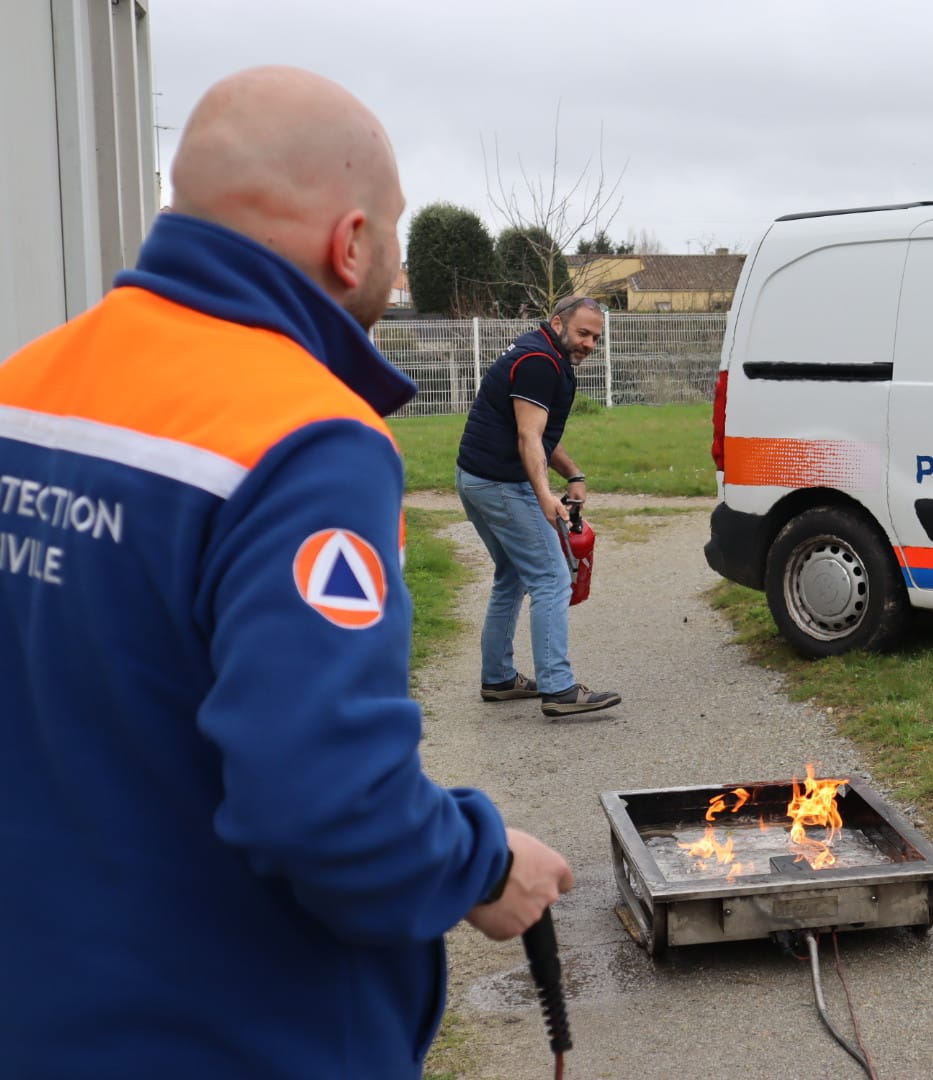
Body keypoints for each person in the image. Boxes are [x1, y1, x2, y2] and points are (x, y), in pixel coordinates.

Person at [0, 66, 572, 1079]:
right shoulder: (307, 439)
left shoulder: (25, 388)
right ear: (350, 243)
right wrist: (482, 863)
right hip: (224, 1030)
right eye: (393, 239)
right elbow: (326, 805)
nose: (395, 274)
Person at [455, 296, 622, 718]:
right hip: (499, 483)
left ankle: (498, 679)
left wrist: (574, 473)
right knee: (551, 578)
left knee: (511, 575)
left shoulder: (541, 353)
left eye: (596, 338)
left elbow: (538, 432)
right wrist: (546, 495)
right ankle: (559, 688)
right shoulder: (539, 363)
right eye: (583, 333)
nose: (589, 343)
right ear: (558, 323)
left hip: (476, 478)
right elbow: (529, 438)